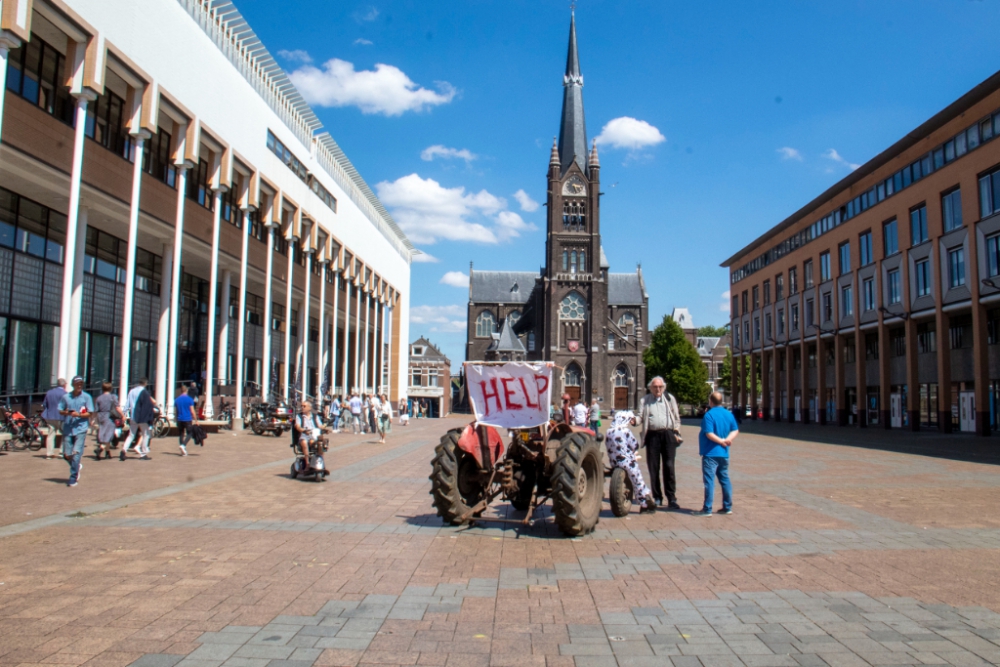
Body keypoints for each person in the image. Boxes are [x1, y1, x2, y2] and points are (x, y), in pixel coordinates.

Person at [693, 392, 739, 517]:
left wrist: (721, 441)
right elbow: (735, 429)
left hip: (710, 453)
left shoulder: (709, 415)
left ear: (711, 402)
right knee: (724, 479)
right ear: (722, 401)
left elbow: (709, 433)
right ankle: (727, 506)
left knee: (709, 481)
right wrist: (728, 439)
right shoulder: (728, 414)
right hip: (724, 454)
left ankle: (707, 508)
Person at [639, 376, 682, 510]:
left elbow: (676, 417)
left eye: (660, 387)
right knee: (653, 467)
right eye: (655, 387)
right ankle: (657, 497)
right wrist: (633, 420)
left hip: (668, 434)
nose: (658, 389)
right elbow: (640, 416)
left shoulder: (669, 399)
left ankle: (671, 498)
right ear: (650, 388)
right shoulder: (645, 400)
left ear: (664, 387)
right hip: (652, 436)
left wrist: (676, 431)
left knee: (669, 466)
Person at [605, 411, 656, 513]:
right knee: (637, 479)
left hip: (614, 461)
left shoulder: (608, 431)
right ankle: (645, 503)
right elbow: (634, 444)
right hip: (627, 462)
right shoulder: (625, 431)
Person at [59, 377, 93, 487]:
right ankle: (76, 466)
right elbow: (60, 410)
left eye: (81, 384)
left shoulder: (87, 397)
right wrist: (68, 412)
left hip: (81, 428)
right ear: (73, 384)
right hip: (68, 428)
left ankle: (73, 477)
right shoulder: (66, 397)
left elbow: (90, 412)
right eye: (77, 384)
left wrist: (78, 414)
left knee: (76, 453)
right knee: (67, 454)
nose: (79, 386)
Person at [120, 378, 153, 460]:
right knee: (146, 434)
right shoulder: (145, 393)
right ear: (145, 383)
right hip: (142, 417)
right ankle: (143, 453)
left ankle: (124, 450)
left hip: (132, 416)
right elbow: (147, 406)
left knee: (131, 434)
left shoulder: (132, 391)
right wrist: (149, 418)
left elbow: (127, 403)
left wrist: (124, 413)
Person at [94, 382, 121, 460]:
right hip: (109, 417)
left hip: (100, 416)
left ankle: (107, 452)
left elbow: (96, 410)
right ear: (110, 388)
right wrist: (122, 415)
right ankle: (100, 449)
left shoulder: (99, 398)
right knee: (109, 434)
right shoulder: (112, 397)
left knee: (103, 433)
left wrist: (94, 420)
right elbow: (117, 407)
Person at [294, 401, 325, 469]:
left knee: (320, 443)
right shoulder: (299, 416)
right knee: (304, 442)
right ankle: (307, 463)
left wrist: (324, 428)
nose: (302, 407)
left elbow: (320, 426)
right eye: (301, 406)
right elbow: (298, 427)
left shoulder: (315, 416)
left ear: (309, 408)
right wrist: (304, 430)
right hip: (304, 435)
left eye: (304, 406)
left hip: (313, 435)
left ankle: (321, 461)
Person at [41, 378, 67, 460]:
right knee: (64, 434)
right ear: (64, 385)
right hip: (61, 416)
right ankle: (61, 452)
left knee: (51, 435)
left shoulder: (49, 393)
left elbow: (45, 404)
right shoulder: (65, 394)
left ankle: (49, 453)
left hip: (50, 416)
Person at [175, 385, 198, 456]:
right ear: (186, 391)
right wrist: (196, 419)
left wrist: (176, 419)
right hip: (187, 419)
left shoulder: (177, 400)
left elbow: (177, 411)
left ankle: (183, 450)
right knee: (190, 433)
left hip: (179, 419)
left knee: (181, 434)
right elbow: (192, 410)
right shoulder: (189, 399)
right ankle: (183, 445)